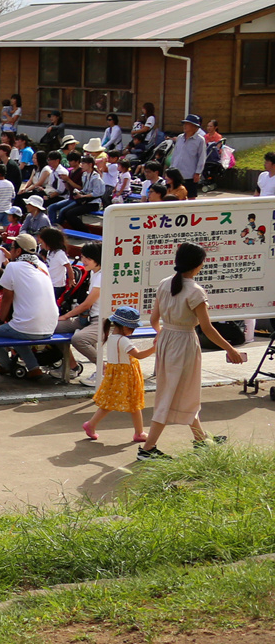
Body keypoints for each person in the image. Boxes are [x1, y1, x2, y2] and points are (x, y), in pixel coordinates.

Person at [139, 242, 245, 460]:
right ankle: (148, 449)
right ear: (198, 265)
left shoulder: (164, 283)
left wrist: (163, 334)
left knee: (183, 392)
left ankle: (201, 439)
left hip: (168, 339)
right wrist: (230, 349)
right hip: (184, 341)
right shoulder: (195, 291)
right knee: (172, 394)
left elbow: (153, 319)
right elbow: (207, 328)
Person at [0, 234, 58, 377]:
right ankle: (33, 368)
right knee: (17, 332)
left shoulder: (13, 266)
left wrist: (0, 322)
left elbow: (7, 298)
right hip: (50, 327)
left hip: (29, 327)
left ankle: (6, 365)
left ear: (19, 251)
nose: (11, 249)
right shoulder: (42, 266)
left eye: (12, 247)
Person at [82, 306, 152, 445]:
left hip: (115, 376)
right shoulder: (123, 340)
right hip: (126, 377)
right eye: (132, 328)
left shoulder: (112, 337)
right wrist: (155, 347)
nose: (132, 331)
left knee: (111, 403)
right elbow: (138, 355)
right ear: (125, 326)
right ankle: (139, 433)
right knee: (134, 403)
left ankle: (92, 425)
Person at [168, 115, 208, 197]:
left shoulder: (200, 140)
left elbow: (202, 157)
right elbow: (175, 154)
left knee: (190, 197)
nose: (185, 126)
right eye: (184, 124)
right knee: (174, 196)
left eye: (188, 124)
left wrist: (198, 173)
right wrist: (171, 168)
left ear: (195, 127)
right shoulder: (180, 137)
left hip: (189, 174)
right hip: (176, 173)